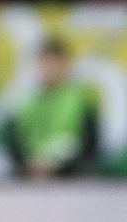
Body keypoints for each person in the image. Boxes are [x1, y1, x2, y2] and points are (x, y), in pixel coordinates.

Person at [7, 37, 98, 179]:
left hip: (69, 178)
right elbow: (14, 145)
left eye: (54, 63)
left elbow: (90, 147)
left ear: (65, 65)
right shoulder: (26, 103)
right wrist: (30, 165)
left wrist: (58, 166)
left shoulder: (81, 100)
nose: (49, 69)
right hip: (31, 177)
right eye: (45, 62)